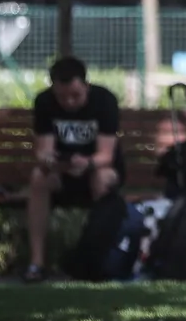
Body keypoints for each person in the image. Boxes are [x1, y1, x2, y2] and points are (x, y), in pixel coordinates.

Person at [23, 56, 125, 283]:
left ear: (86, 85)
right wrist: (51, 161)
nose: (69, 102)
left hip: (96, 169)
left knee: (102, 178)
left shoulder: (104, 101)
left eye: (76, 95)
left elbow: (106, 156)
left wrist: (86, 163)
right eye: (62, 96)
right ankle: (36, 263)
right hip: (62, 174)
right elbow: (43, 151)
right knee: (39, 178)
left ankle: (97, 262)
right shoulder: (45, 102)